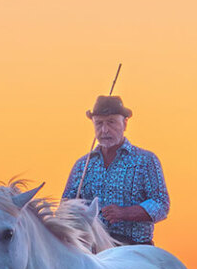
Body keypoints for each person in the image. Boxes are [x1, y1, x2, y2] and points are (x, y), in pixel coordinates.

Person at [63, 95, 170, 245]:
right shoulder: (82, 165)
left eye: (111, 122)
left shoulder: (145, 160)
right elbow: (65, 207)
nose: (104, 130)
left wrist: (125, 213)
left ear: (125, 124)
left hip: (133, 247)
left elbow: (161, 204)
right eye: (99, 123)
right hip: (90, 249)